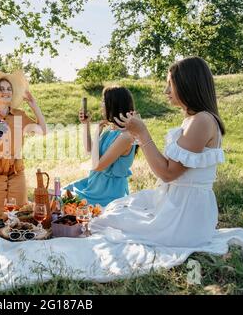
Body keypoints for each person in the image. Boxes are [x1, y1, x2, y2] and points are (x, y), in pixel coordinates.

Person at [91, 56, 226, 247]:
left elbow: (167, 173)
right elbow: (171, 169)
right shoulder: (195, 120)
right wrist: (137, 132)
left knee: (105, 223)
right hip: (178, 202)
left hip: (185, 215)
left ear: (187, 84)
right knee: (115, 210)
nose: (166, 91)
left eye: (170, 84)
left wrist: (142, 133)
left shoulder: (202, 121)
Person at [0, 70, 47, 211]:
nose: (6, 92)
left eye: (9, 89)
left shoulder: (20, 115)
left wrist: (34, 105)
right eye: (2, 89)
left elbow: (43, 131)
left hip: (16, 172)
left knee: (20, 213)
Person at [64, 87, 137, 207]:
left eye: (103, 101)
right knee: (58, 194)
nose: (101, 104)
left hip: (107, 192)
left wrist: (97, 132)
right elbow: (90, 150)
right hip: (93, 184)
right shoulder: (110, 129)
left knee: (64, 202)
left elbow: (96, 165)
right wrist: (86, 125)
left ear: (113, 104)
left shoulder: (126, 136)